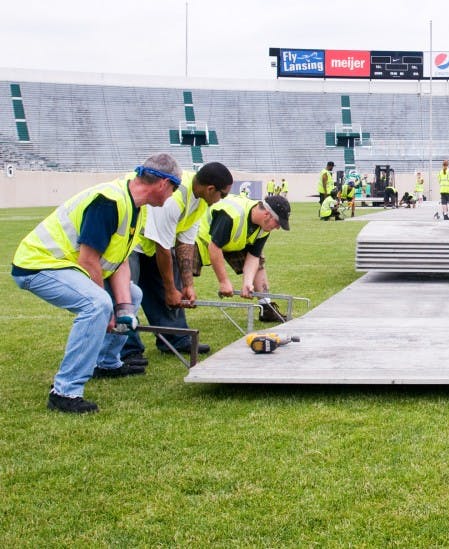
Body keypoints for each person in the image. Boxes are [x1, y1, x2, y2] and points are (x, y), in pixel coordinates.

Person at [11, 154, 182, 413]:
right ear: (162, 183)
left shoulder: (136, 208)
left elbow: (119, 261)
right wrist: (108, 310)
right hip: (38, 265)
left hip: (65, 266)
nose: (173, 195)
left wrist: (123, 307)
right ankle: (65, 390)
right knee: (97, 304)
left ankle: (106, 362)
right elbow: (89, 260)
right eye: (174, 188)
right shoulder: (109, 201)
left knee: (133, 295)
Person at [120, 161, 234, 365]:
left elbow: (185, 245)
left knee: (172, 286)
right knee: (126, 295)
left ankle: (175, 338)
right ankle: (127, 350)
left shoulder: (200, 201)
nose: (221, 200)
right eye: (222, 195)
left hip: (151, 242)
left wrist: (187, 285)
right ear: (210, 189)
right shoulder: (174, 196)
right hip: (130, 241)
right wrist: (171, 289)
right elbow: (163, 249)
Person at [195, 194, 290, 322]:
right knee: (182, 271)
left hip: (232, 240)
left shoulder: (264, 227)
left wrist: (248, 282)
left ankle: (266, 308)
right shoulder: (232, 215)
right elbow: (214, 247)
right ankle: (171, 316)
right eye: (277, 222)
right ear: (267, 214)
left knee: (259, 259)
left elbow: (254, 256)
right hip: (202, 237)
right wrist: (224, 281)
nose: (278, 227)